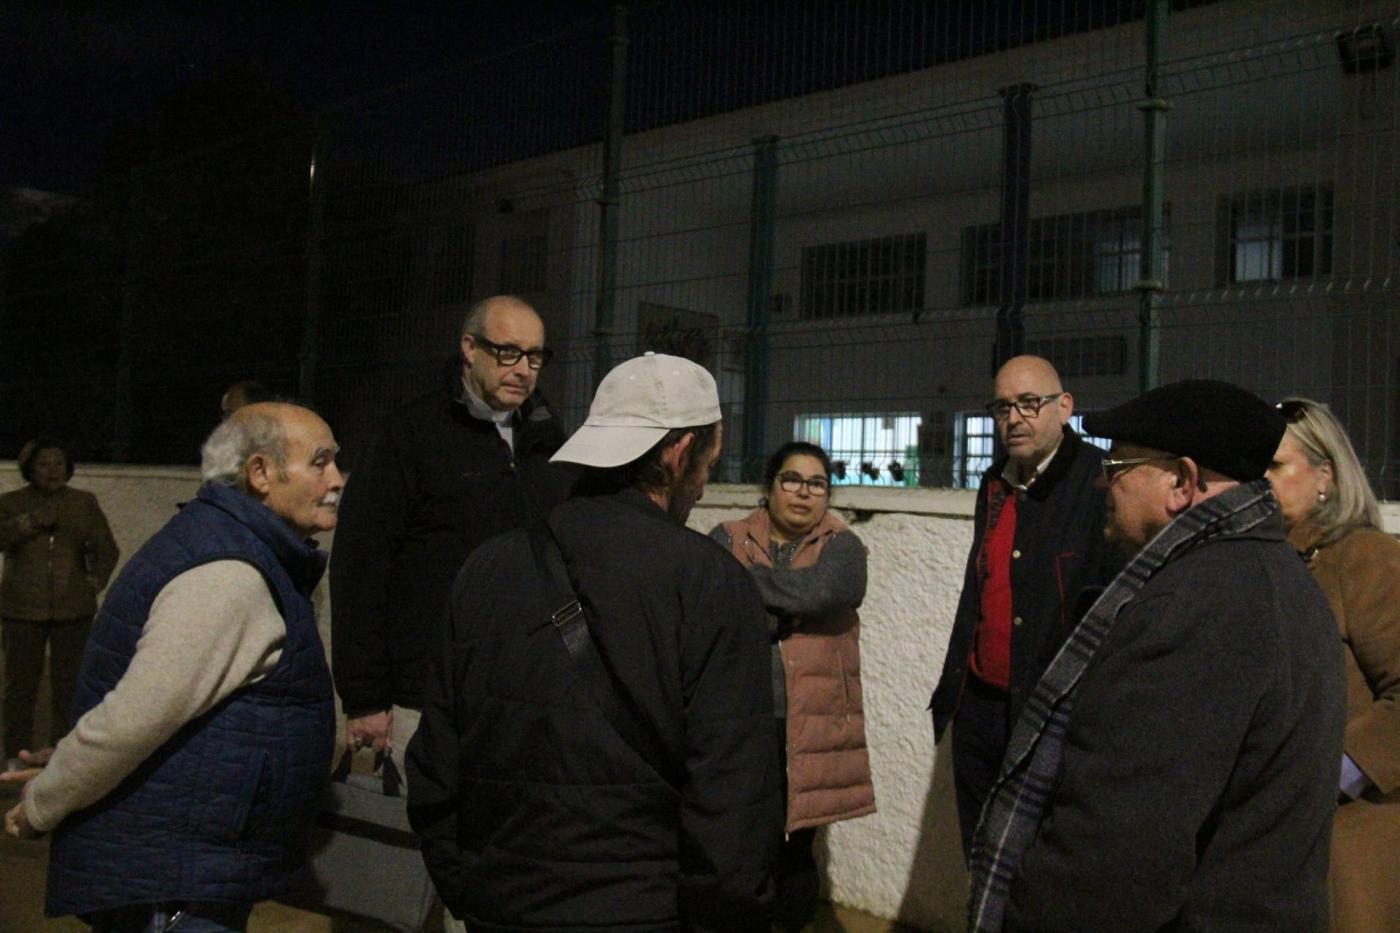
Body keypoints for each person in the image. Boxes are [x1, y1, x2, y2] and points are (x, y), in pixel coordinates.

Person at [406, 352, 782, 931]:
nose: (706, 482)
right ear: (679, 453)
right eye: (709, 461)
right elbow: (733, 798)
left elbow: (436, 763)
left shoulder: (486, 567)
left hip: (499, 906)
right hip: (645, 914)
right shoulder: (712, 583)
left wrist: (469, 889)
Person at [968, 379, 1345, 933]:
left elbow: (1114, 860)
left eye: (1118, 465)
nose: (1103, 480)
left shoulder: (1195, 608)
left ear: (1181, 482)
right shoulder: (1271, 571)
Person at [2, 403, 344, 932]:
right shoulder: (230, 575)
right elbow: (133, 721)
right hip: (175, 883)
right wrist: (42, 803)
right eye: (320, 462)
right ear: (259, 473)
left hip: (182, 866)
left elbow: (165, 705)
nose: (337, 480)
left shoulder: (230, 544)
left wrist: (67, 760)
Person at [331, 294, 571, 777]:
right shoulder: (410, 436)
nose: (523, 369)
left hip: (524, 691)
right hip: (426, 695)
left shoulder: (549, 439)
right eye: (508, 352)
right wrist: (366, 697)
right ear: (469, 348)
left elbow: (561, 561)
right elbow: (361, 565)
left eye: (534, 356)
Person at [928, 355, 1115, 856]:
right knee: (980, 852)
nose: (1014, 418)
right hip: (978, 706)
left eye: (1030, 403)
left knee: (1036, 860)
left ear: (1065, 407)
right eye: (1003, 407)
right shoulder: (995, 482)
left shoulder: (1099, 482)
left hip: (1049, 713)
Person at [709, 441, 873, 931]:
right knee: (740, 840)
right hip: (740, 721)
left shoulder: (843, 546)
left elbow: (830, 592)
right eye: (792, 479)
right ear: (770, 486)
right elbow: (714, 610)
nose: (804, 493)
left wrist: (747, 586)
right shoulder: (728, 536)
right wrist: (788, 604)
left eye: (817, 484)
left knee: (796, 849)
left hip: (810, 726)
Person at [1268, 397, 1400, 933]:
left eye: (1276, 465)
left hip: (1353, 840)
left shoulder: (1364, 556)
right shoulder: (1269, 562)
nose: (1260, 479)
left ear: (1325, 475)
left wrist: (1335, 772)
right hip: (1279, 837)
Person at [0, 438, 119, 772]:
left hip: (73, 611)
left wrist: (92, 583)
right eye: (43, 464)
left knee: (70, 684)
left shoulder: (84, 503)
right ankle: (17, 755)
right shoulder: (11, 503)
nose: (52, 470)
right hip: (21, 609)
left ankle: (62, 753)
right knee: (20, 687)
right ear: (29, 468)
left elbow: (107, 549)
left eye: (58, 463)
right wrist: (31, 521)